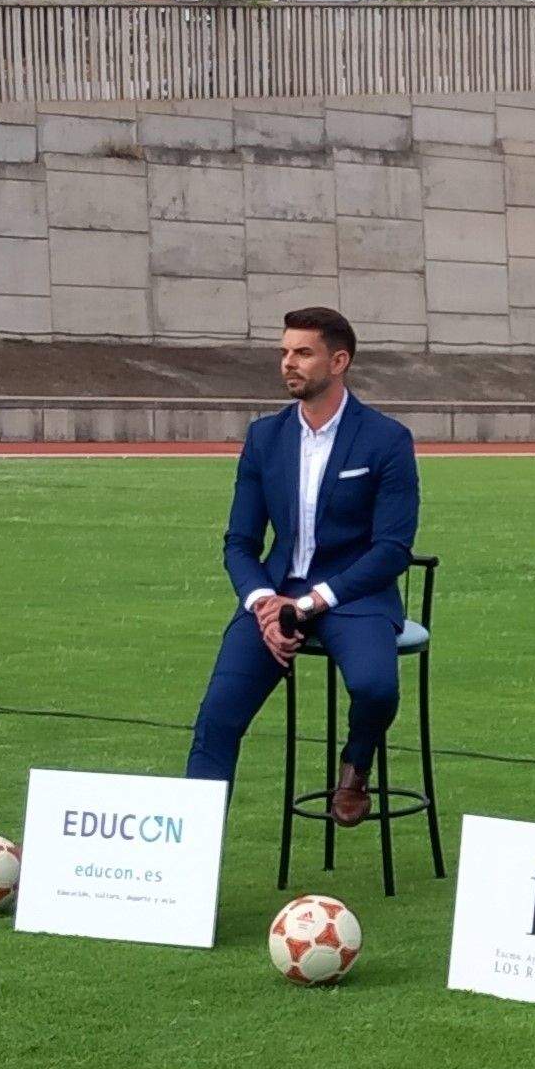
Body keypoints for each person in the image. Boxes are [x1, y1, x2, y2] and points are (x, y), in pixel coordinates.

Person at [185, 307, 420, 824]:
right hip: (275, 595)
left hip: (354, 597)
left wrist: (310, 603)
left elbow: (392, 550)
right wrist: (265, 602)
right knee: (216, 720)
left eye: (303, 353)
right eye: (285, 352)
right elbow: (239, 543)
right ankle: (192, 876)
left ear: (339, 361)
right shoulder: (265, 437)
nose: (288, 363)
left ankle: (356, 764)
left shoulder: (387, 440)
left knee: (376, 688)